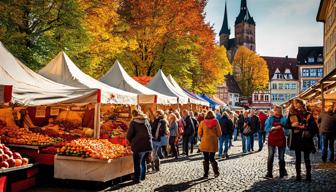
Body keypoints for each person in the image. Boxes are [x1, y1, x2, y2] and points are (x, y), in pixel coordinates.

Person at [287, 99, 318, 181]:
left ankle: (308, 176)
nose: (295, 105)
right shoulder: (292, 114)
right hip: (296, 138)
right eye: (294, 104)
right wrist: (292, 125)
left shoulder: (308, 114)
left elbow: (314, 127)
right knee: (297, 158)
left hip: (306, 138)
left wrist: (304, 127)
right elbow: (287, 125)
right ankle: (298, 176)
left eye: (297, 103)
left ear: (301, 104)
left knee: (307, 158)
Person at [127, 110, 153, 183]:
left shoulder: (133, 122)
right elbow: (150, 131)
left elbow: (129, 134)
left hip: (138, 145)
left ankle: (137, 178)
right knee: (143, 161)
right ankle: (143, 176)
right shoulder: (146, 121)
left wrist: (128, 140)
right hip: (147, 144)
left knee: (137, 162)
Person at [264, 106, 288, 179]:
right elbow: (266, 129)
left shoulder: (284, 119)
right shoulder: (270, 119)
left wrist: (282, 128)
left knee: (281, 157)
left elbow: (287, 130)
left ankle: (282, 173)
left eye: (277, 110)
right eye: (275, 110)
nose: (276, 111)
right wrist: (273, 128)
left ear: (280, 111)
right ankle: (269, 173)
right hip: (272, 139)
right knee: (271, 156)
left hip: (281, 138)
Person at [198, 111, 222, 178]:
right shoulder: (216, 122)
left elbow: (199, 133)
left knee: (206, 158)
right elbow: (219, 133)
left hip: (205, 141)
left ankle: (206, 174)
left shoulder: (202, 122)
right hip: (213, 142)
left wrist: (202, 136)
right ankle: (216, 172)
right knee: (212, 158)